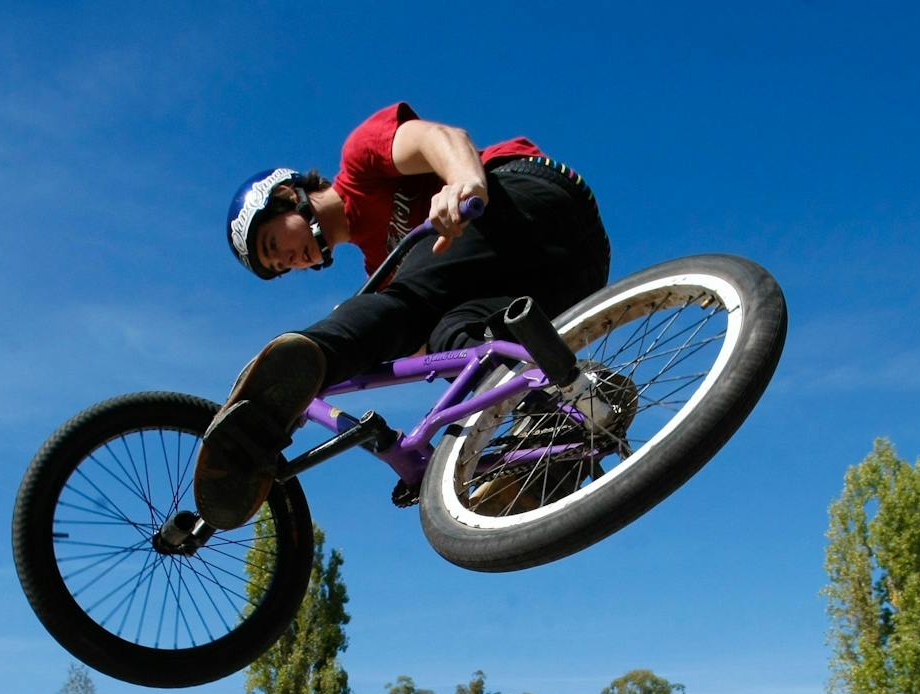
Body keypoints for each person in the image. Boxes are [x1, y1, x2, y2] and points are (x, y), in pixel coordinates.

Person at [200, 102, 612, 529]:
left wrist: (465, 182)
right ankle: (574, 410)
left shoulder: (360, 160)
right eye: (283, 268)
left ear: (286, 198)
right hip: (570, 282)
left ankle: (312, 354)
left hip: (533, 200)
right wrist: (309, 385)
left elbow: (441, 138)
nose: (291, 261)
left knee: (407, 304)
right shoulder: (381, 269)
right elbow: (412, 343)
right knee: (451, 341)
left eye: (274, 246)